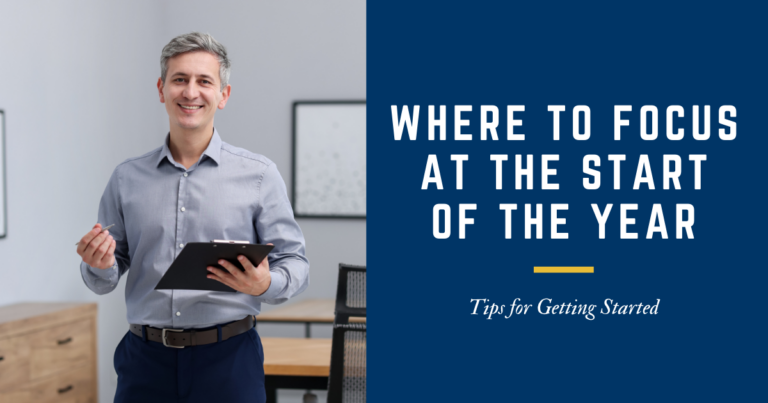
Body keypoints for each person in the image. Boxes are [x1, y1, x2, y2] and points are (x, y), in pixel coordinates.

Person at [76, 32, 309, 403]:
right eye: (180, 79)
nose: (190, 92)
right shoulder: (126, 178)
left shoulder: (260, 176)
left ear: (223, 95)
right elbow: (105, 278)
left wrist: (264, 284)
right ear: (161, 88)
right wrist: (99, 264)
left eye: (204, 81)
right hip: (145, 362)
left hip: (229, 360)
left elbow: (296, 264)